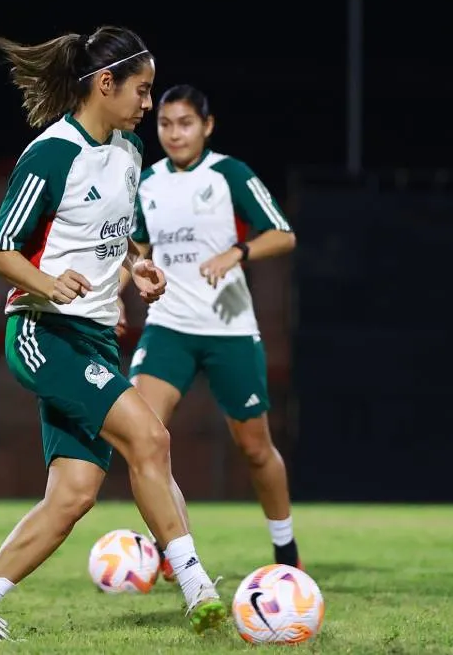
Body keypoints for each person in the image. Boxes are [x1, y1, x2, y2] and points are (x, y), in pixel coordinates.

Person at [0, 27, 227, 642]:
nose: (149, 106)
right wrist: (46, 281)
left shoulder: (127, 152)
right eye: (142, 91)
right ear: (105, 83)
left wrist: (133, 269)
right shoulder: (51, 154)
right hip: (42, 332)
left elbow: (109, 237)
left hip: (94, 338)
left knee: (72, 496)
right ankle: (197, 585)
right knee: (150, 436)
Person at [120, 84, 301, 580]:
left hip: (229, 330)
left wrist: (237, 253)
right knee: (142, 438)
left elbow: (284, 234)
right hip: (168, 328)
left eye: (185, 124)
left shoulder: (229, 174)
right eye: (165, 124)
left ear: (207, 126)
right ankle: (180, 556)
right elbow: (136, 251)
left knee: (255, 448)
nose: (174, 133)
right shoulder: (148, 182)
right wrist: (120, 289)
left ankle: (286, 551)